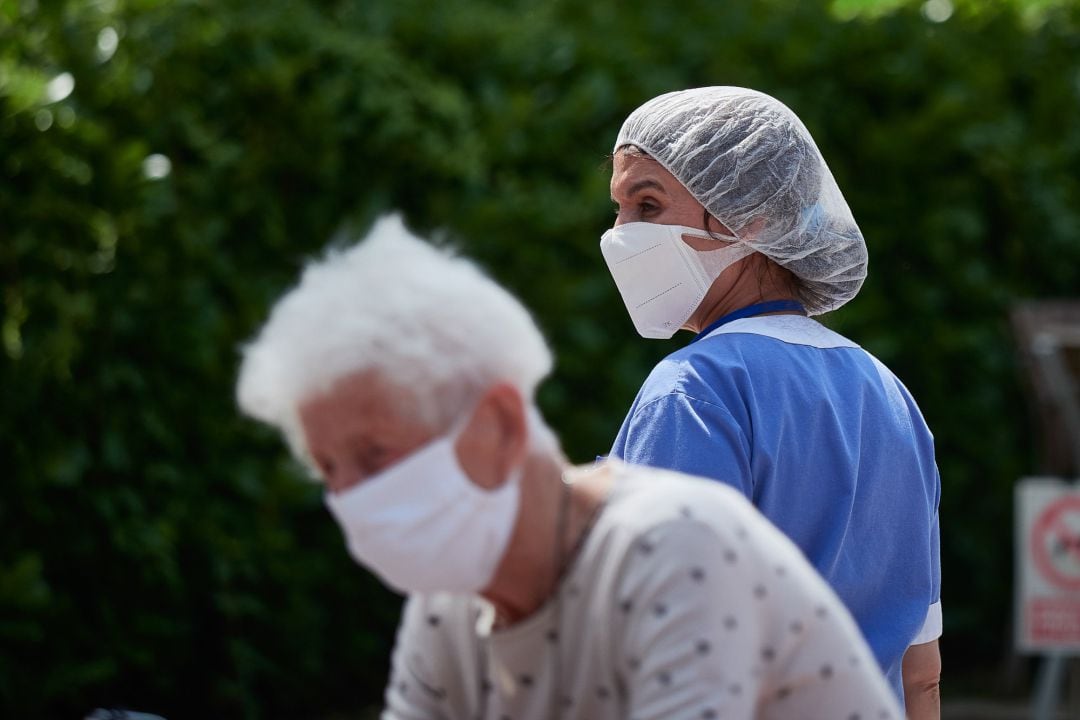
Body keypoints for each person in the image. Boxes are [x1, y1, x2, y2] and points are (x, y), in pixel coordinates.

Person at [236, 215, 902, 719]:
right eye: (328, 470)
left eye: (374, 455)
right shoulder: (446, 606)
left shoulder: (674, 543)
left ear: (497, 423)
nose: (350, 497)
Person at [601, 86, 941, 715]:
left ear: (749, 217)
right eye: (619, 208)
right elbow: (922, 674)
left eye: (647, 205)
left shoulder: (695, 392)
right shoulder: (890, 396)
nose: (620, 234)